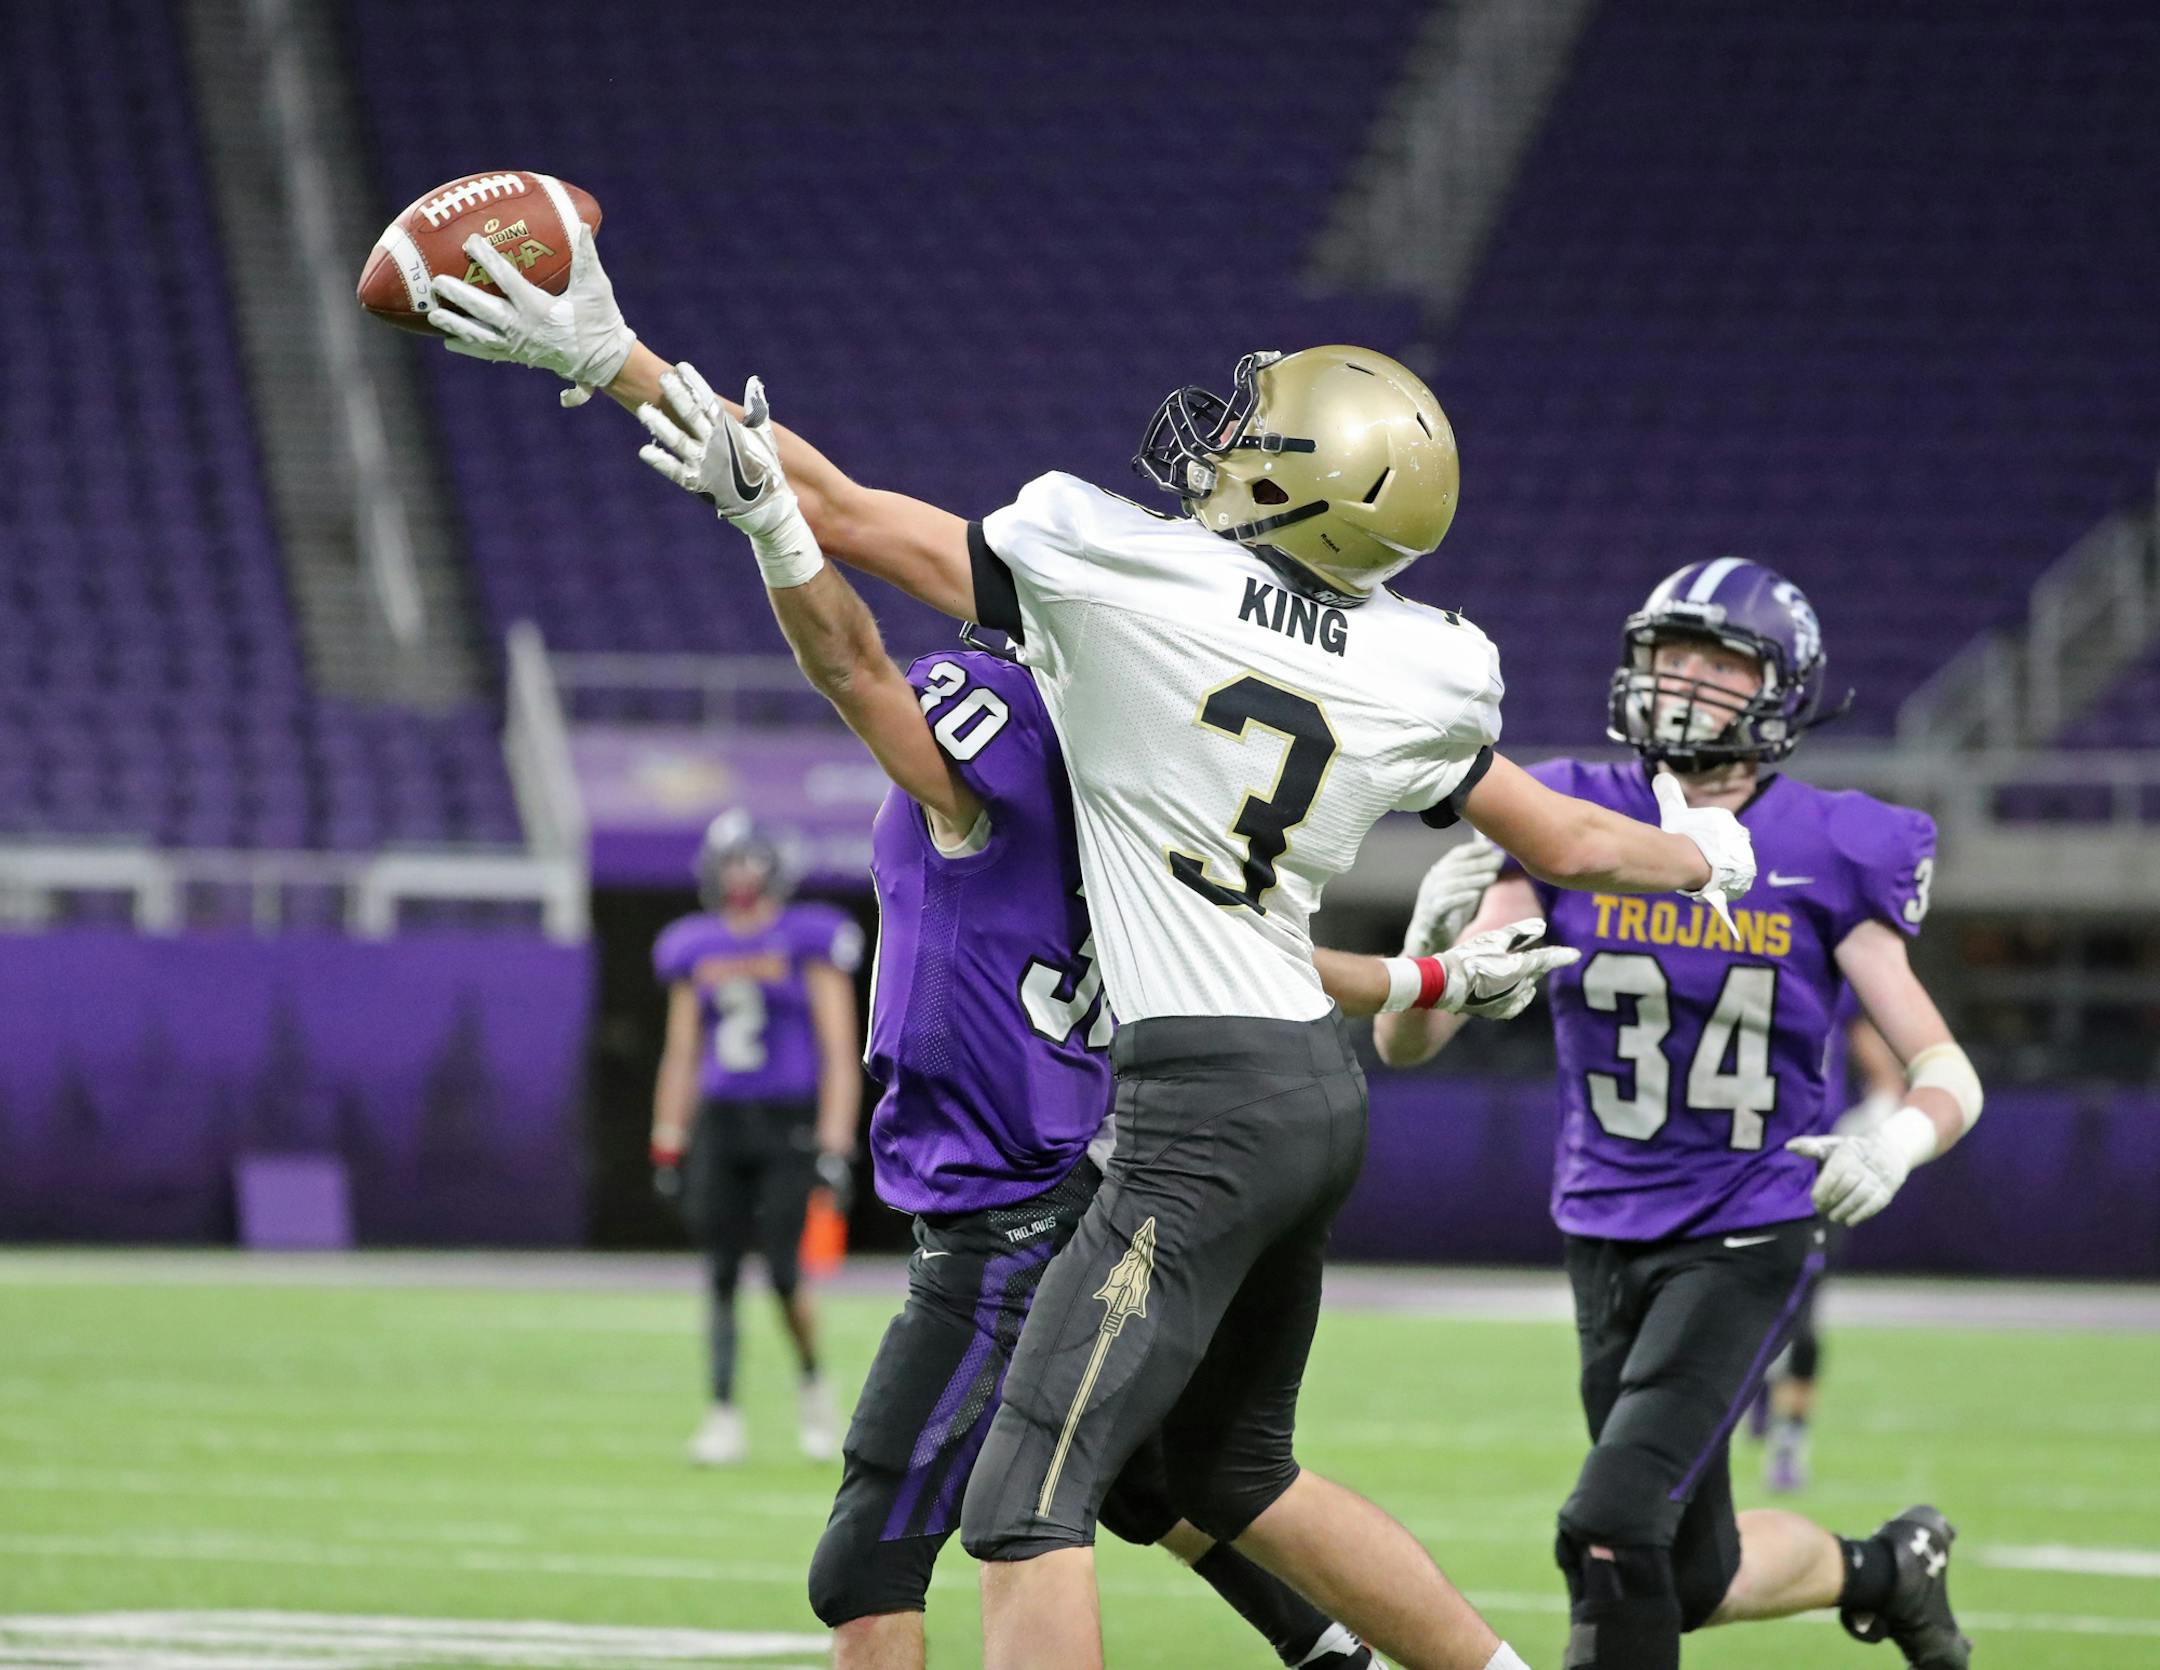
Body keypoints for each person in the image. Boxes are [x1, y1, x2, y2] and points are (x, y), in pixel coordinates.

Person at [423, 228, 1756, 1670]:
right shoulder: (1417, 662)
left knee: (1024, 1500)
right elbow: (1565, 840)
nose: (1224, 436)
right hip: (1311, 1093)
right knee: (1234, 1476)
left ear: (1305, 479)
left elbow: (842, 519)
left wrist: (614, 360)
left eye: (1261, 428)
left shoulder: (1123, 580)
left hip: (1197, 1115)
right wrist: (1710, 853)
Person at [661, 379, 1573, 1668]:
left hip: (1009, 1203)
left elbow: (855, 649)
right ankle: (1349, 1654)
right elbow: (1280, 955)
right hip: (1112, 1161)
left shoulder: (1009, 731)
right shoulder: (1161, 780)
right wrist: (1427, 984)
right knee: (1177, 1485)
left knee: (884, 1551)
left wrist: (746, 502)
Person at [1374, 560, 1980, 1670]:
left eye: (1720, 660)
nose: (1686, 680)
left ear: (1779, 689)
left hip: (1746, 1224)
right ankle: (1891, 1569)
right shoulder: (1565, 811)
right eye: (1670, 652)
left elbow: (1945, 1063)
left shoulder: (1831, 842)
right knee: (1688, 1574)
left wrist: (1896, 1136)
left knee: (1608, 1526)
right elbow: (1410, 1043)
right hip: (1601, 1227)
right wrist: (1431, 958)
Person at [651, 810, 863, 1465]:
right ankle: (721, 1414)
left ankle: (812, 1384)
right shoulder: (695, 945)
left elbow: (837, 1045)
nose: (739, 873)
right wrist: (667, 1135)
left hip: (788, 1121)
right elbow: (681, 1050)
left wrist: (835, 1141)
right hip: (721, 1120)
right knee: (716, 1272)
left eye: (748, 858)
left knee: (781, 1272)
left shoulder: (809, 938)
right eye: (729, 860)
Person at [1754, 1010, 1905, 1494]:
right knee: (1738, 1300)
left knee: (1803, 1318)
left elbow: (1887, 1079)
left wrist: (1868, 1129)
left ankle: (1789, 1439)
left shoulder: (1834, 985)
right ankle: (1754, 1375)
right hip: (1741, 1167)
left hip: (1813, 1171)